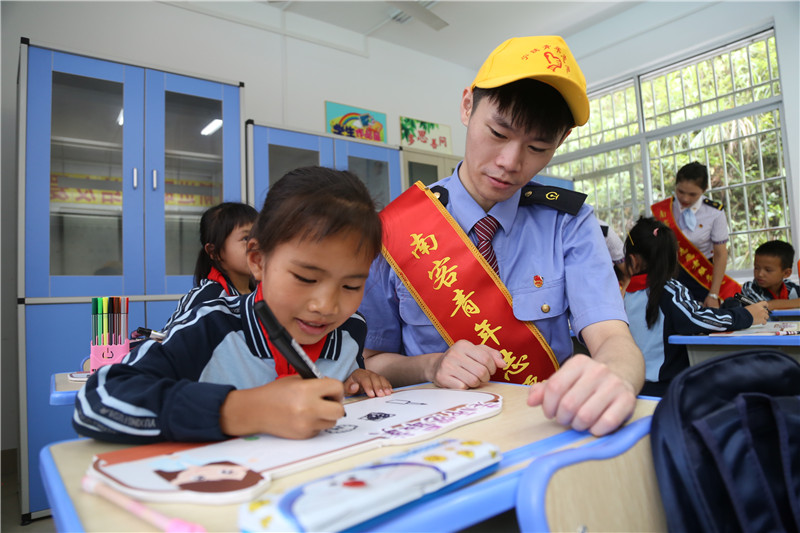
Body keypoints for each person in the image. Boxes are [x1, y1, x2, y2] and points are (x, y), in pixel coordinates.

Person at [359, 35, 645, 437]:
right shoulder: (396, 228)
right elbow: (372, 360)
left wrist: (616, 376)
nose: (510, 162)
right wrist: (431, 365)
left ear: (558, 144)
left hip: (540, 434)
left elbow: (613, 338)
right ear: (466, 106)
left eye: (537, 147)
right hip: (433, 441)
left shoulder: (568, 222)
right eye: (497, 133)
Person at [74, 167, 393, 444]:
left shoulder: (352, 329)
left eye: (351, 285)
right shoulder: (212, 326)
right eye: (305, 278)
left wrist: (359, 379)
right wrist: (245, 410)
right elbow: (98, 400)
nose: (326, 305)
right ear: (258, 261)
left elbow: (345, 386)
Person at [622, 217, 768, 397]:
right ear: (674, 256)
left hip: (631, 386)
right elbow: (695, 319)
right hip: (667, 390)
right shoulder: (670, 289)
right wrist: (746, 315)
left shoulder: (623, 295)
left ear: (632, 260)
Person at [651, 162, 740, 308]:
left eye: (692, 194)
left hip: (702, 276)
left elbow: (720, 254)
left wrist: (713, 294)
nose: (685, 199)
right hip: (669, 276)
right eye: (680, 192)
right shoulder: (662, 211)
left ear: (704, 190)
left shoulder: (714, 213)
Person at [163, 202, 258, 331]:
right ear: (215, 252)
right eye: (246, 238)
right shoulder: (206, 298)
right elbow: (169, 342)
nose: (257, 245)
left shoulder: (260, 292)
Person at [740, 240, 800, 310]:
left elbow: (771, 305)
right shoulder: (749, 288)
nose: (760, 274)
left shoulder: (790, 287)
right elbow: (763, 307)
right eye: (756, 268)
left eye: (768, 270)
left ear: (786, 273)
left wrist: (774, 304)